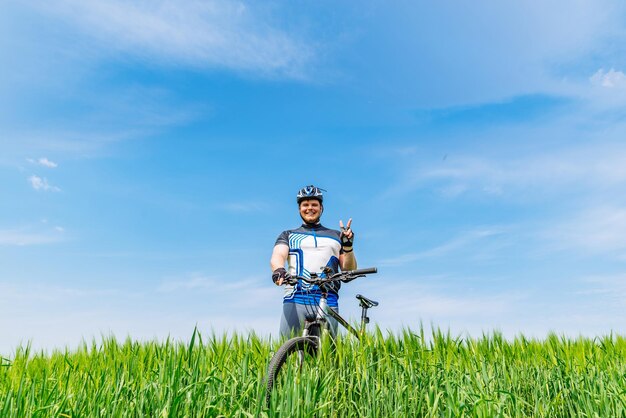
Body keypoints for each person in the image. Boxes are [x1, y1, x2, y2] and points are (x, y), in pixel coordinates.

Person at [270, 185, 356, 338]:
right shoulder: (288, 235)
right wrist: (279, 270)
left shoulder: (336, 235)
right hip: (295, 298)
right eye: (305, 205)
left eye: (314, 204)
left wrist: (348, 246)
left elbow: (349, 270)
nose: (310, 208)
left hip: (327, 299)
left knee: (327, 357)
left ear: (321, 208)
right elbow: (278, 256)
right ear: (299, 209)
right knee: (286, 355)